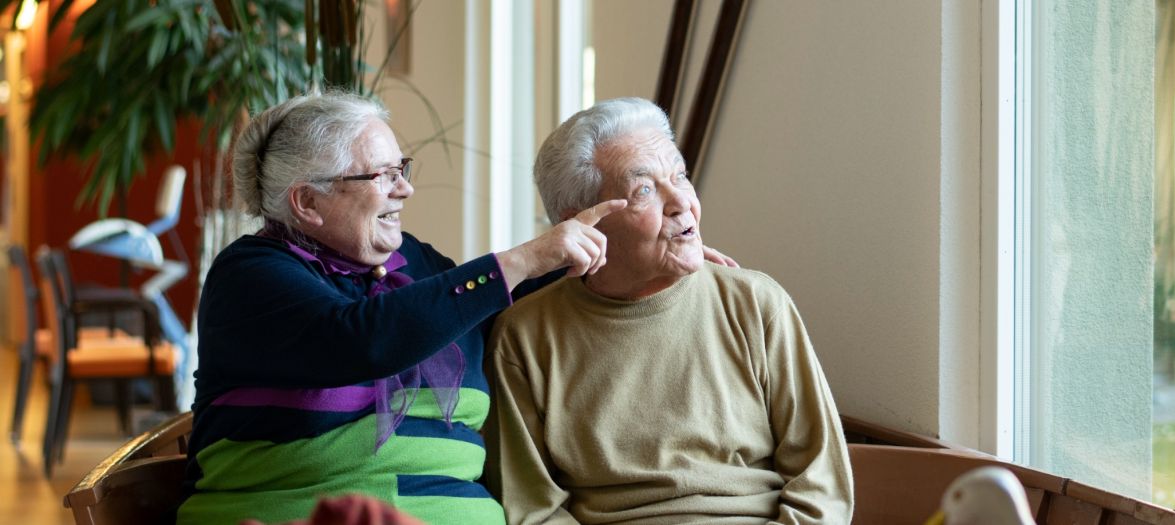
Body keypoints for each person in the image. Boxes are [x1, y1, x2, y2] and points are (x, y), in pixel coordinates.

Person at [176, 92, 735, 525]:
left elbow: (509, 310)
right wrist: (519, 259)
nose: (405, 191)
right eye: (383, 175)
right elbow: (364, 340)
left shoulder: (415, 268)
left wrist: (636, 258)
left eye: (404, 169)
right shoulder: (250, 275)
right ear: (307, 201)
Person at [492, 97, 853, 524]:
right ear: (581, 224)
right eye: (644, 189)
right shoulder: (525, 337)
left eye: (680, 176)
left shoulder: (756, 305)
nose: (681, 202)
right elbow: (533, 506)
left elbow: (822, 486)